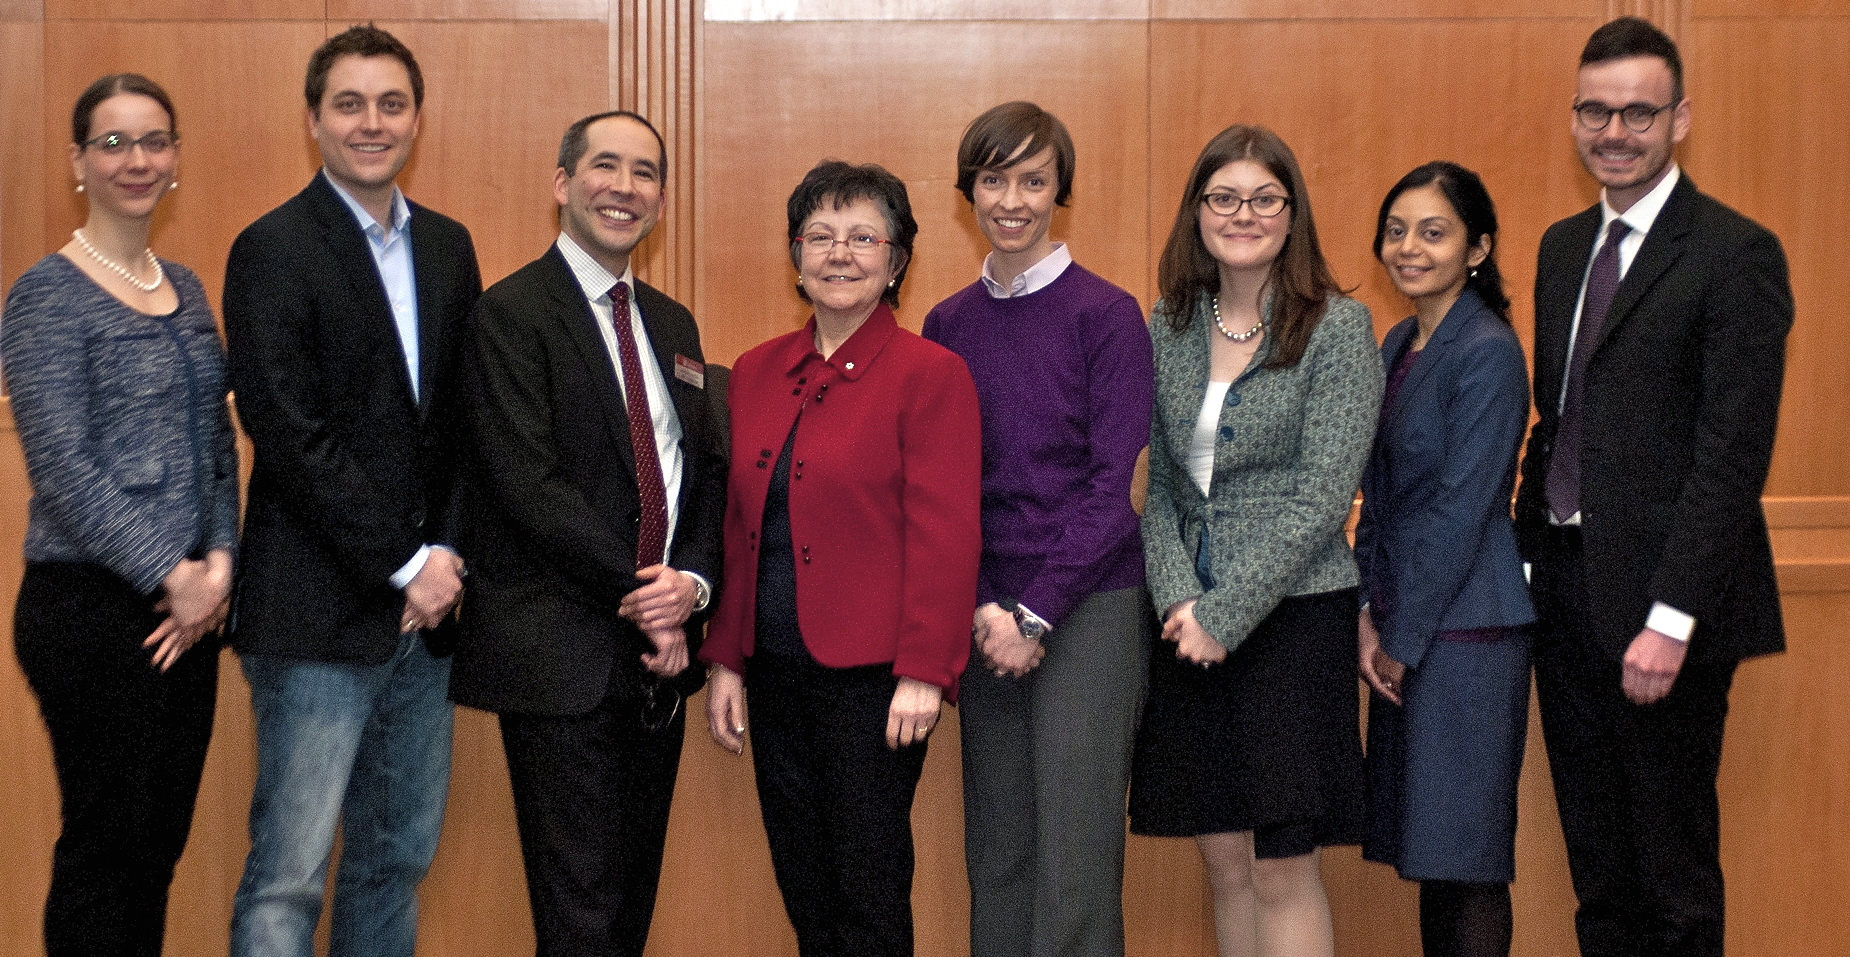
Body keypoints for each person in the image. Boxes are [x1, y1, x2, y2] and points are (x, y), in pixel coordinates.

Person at [1515, 17, 1792, 957]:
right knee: (1600, 876)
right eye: (1596, 110)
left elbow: (1731, 455)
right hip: (1565, 597)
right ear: (1574, 118)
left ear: (1681, 119)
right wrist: (1528, 563)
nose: (1615, 131)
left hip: (1665, 612)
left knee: (1672, 883)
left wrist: (1671, 619)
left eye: (1639, 112)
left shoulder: (1735, 253)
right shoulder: (1562, 248)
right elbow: (1558, 420)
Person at [221, 25, 482, 957]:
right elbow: (289, 433)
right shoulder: (271, 247)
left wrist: (444, 557)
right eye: (349, 104)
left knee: (394, 861)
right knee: (288, 877)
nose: (372, 123)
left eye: (391, 104)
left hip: (428, 617)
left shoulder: (448, 246)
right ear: (314, 120)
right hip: (314, 616)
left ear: (417, 119)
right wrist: (405, 561)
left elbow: (465, 422)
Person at [448, 110, 725, 957]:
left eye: (645, 173)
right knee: (579, 916)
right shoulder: (509, 314)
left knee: (630, 905)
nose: (624, 187)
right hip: (561, 656)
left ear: (662, 201)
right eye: (606, 166)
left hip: (658, 663)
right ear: (563, 184)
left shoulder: (673, 324)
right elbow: (528, 486)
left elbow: (703, 472)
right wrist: (648, 597)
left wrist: (692, 586)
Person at [700, 160, 981, 957]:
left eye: (863, 237)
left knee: (867, 890)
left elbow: (947, 532)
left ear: (897, 261)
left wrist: (925, 668)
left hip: (875, 682)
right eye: (819, 236)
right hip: (774, 671)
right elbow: (740, 526)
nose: (839, 253)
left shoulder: (931, 374)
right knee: (805, 887)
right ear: (796, 256)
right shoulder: (756, 370)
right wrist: (727, 659)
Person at [1129, 124, 1381, 957]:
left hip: (1292, 622)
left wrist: (1224, 614)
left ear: (1292, 212)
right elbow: (1158, 485)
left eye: (1265, 198)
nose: (1244, 214)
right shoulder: (1168, 325)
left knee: (1280, 867)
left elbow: (1323, 497)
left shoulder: (1337, 326)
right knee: (1225, 861)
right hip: (1185, 623)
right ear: (1197, 212)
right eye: (1224, 197)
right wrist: (1178, 597)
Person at [2, 72, 237, 957]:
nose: (136, 160)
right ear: (78, 161)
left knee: (154, 853)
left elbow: (217, 443)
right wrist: (170, 572)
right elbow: (61, 466)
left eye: (154, 141)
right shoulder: (44, 294)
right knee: (104, 851)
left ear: (175, 158)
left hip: (191, 610)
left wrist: (218, 562)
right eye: (113, 142)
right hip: (90, 609)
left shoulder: (185, 285)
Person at [921, 102, 1153, 957]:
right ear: (969, 191)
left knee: (1076, 856)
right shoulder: (947, 324)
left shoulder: (1108, 314)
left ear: (1061, 191)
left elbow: (1116, 487)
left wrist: (1035, 610)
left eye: (1033, 180)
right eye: (994, 179)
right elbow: (946, 488)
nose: (1012, 200)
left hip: (1089, 604)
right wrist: (988, 605)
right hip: (986, 613)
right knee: (1000, 851)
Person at [1354, 162, 1534, 957]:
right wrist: (1368, 612)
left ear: (1477, 248)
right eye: (1397, 231)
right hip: (1409, 623)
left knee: (1468, 861)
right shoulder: (1399, 341)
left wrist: (1402, 636)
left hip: (1466, 634)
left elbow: (1462, 512)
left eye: (1433, 232)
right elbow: (1379, 493)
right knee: (1434, 855)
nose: (1409, 248)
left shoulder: (1487, 350)